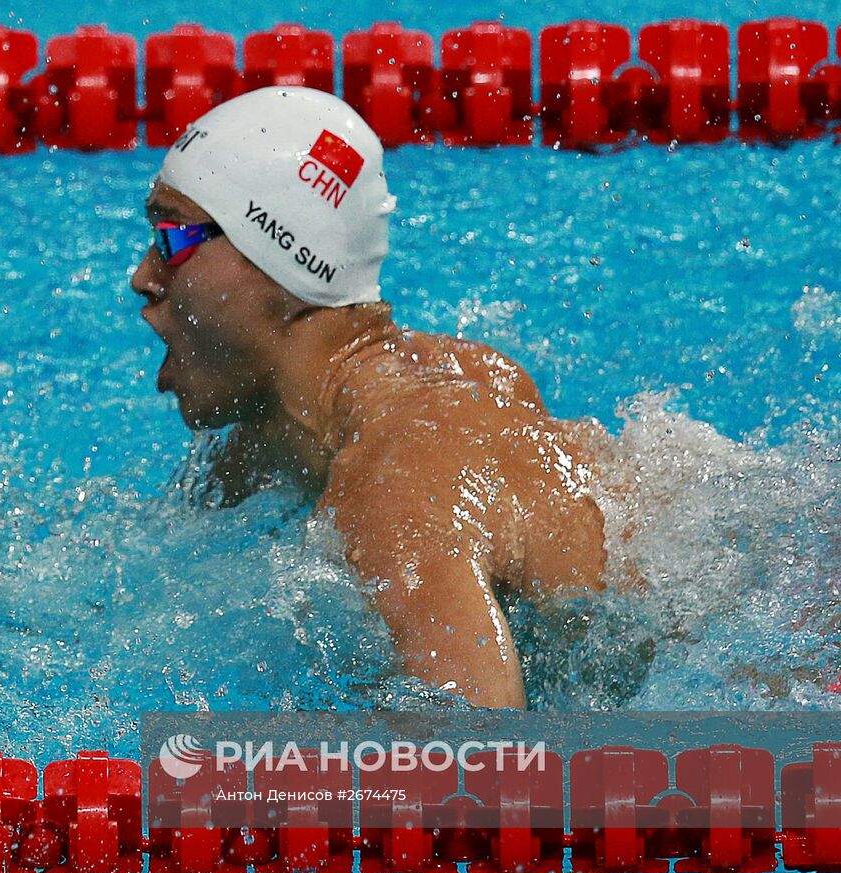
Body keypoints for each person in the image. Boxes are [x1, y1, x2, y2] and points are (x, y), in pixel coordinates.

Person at [130, 87, 615, 709]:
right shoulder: (276, 431)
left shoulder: (398, 473)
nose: (144, 275)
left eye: (172, 236)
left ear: (276, 261)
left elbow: (482, 770)